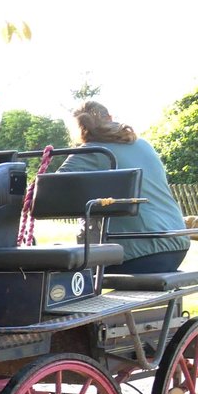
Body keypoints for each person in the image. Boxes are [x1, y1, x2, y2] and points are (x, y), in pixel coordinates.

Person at [58, 101, 190, 274]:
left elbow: (46, 192)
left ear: (78, 131)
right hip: (176, 243)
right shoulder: (143, 144)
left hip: (137, 252)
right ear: (110, 118)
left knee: (60, 267)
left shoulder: (91, 152)